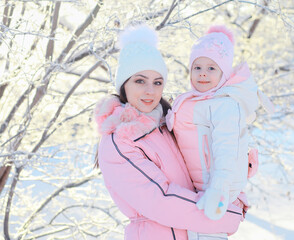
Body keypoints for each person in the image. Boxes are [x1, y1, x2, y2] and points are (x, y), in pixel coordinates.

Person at [94, 24, 246, 240]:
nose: (150, 91)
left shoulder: (168, 125)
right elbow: (162, 201)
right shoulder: (119, 141)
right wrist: (228, 212)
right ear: (123, 84)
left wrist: (240, 164)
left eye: (157, 82)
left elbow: (203, 164)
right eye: (140, 81)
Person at [166, 25, 274, 240]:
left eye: (212, 68)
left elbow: (226, 148)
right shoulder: (196, 99)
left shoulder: (224, 104)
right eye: (197, 67)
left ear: (224, 73)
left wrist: (219, 188)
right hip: (202, 184)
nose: (203, 73)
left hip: (216, 186)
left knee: (207, 234)